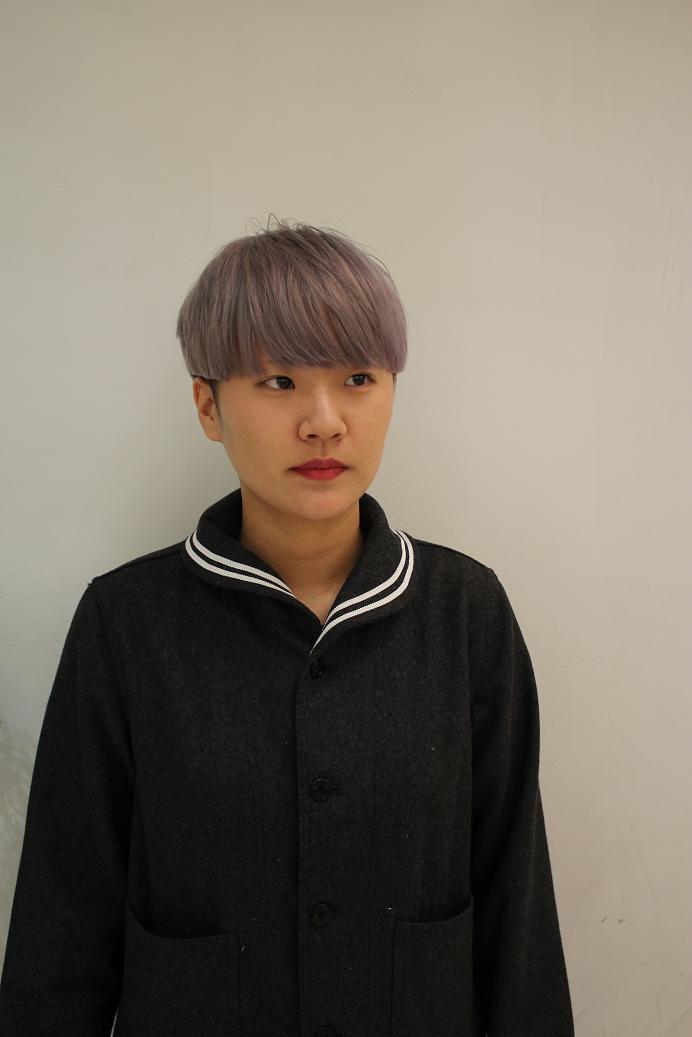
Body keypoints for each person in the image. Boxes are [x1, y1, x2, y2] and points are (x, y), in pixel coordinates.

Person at [0, 218, 575, 1035]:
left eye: (358, 377)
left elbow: (518, 916)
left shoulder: (465, 612)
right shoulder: (125, 625)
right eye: (278, 381)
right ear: (208, 405)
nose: (324, 421)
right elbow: (62, 930)